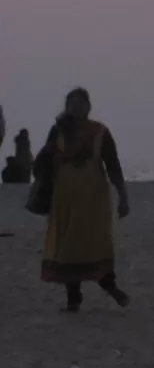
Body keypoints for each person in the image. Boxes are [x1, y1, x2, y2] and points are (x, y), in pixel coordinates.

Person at [36, 88, 131, 312]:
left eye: (80, 103)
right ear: (67, 106)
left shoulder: (100, 132)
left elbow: (113, 166)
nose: (76, 107)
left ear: (89, 106)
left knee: (96, 243)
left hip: (93, 200)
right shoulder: (58, 131)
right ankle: (73, 299)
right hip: (65, 198)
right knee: (69, 245)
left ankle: (111, 286)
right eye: (72, 103)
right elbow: (42, 163)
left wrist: (123, 197)